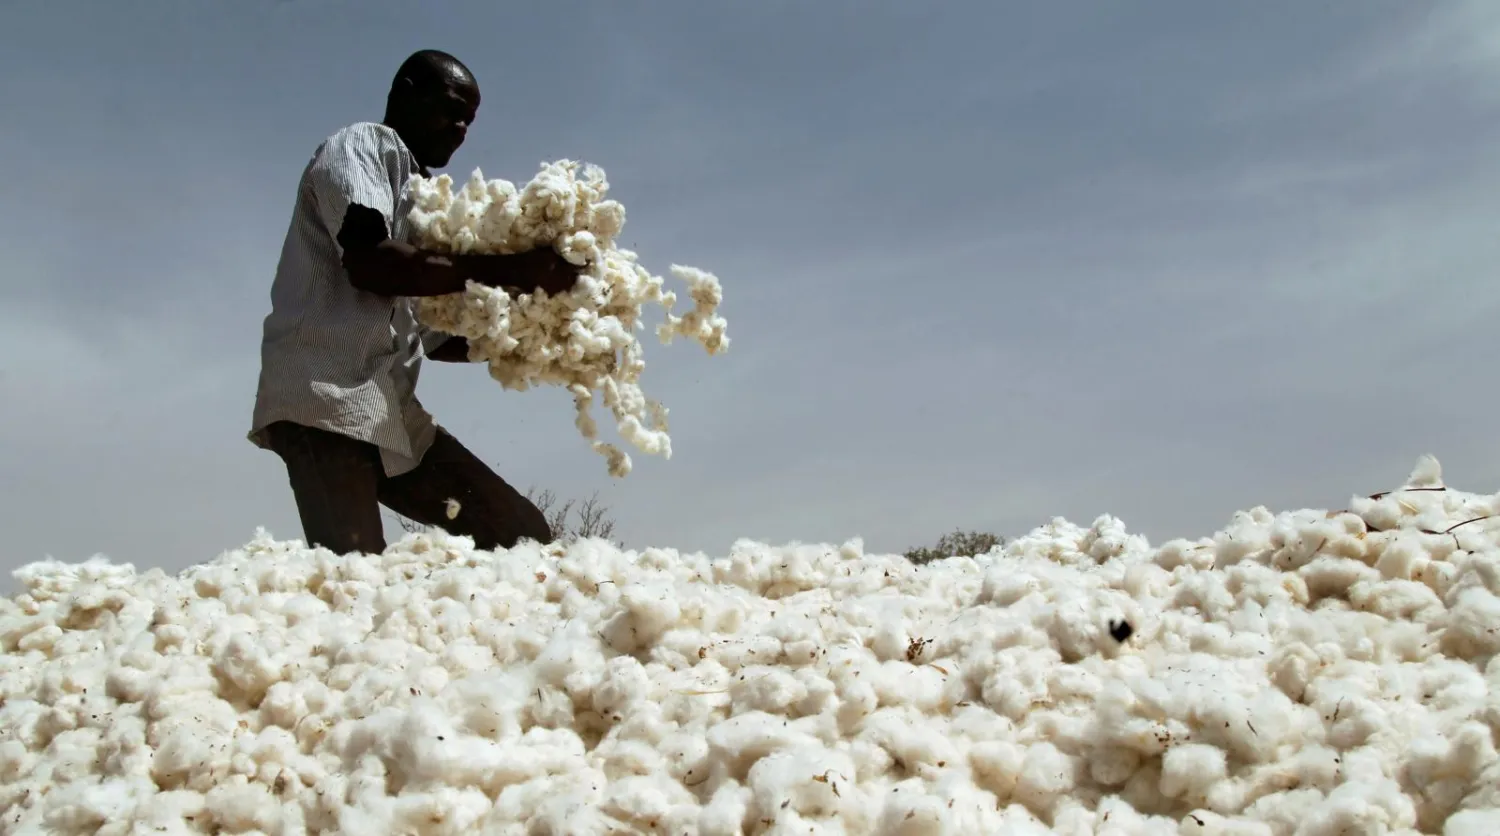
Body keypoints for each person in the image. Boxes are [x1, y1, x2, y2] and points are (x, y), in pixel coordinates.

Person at [248, 49, 577, 554]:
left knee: (521, 536)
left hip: (389, 412)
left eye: (470, 118)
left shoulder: (424, 200)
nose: (462, 126)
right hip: (325, 399)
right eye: (451, 106)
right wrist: (515, 269)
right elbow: (372, 261)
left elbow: (435, 335)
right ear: (406, 90)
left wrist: (530, 337)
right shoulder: (363, 146)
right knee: (352, 574)